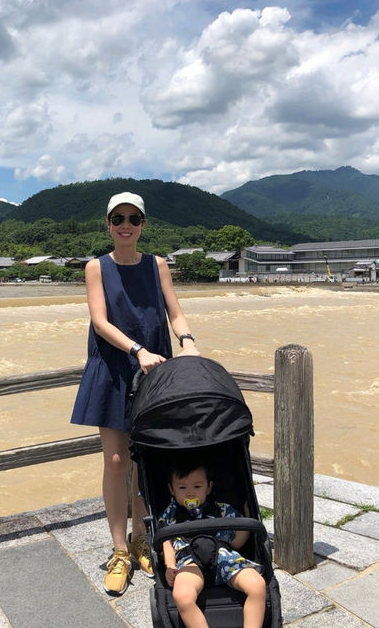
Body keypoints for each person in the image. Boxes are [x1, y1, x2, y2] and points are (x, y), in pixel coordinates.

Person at [70, 191, 200, 596]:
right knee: (115, 460)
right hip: (115, 368)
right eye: (118, 218)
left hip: (154, 369)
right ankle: (120, 550)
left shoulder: (157, 264)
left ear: (143, 224)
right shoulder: (96, 267)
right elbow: (99, 321)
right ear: (108, 224)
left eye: (134, 218)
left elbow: (174, 311)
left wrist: (188, 340)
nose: (126, 225)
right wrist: (137, 349)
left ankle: (143, 538)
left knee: (146, 460)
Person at [160, 461, 266, 628]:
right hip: (189, 561)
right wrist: (170, 566)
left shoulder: (223, 510)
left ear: (208, 488)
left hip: (223, 556)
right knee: (182, 596)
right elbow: (166, 542)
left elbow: (237, 542)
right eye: (182, 488)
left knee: (257, 585)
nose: (189, 493)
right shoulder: (169, 515)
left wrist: (248, 516)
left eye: (197, 486)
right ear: (172, 489)